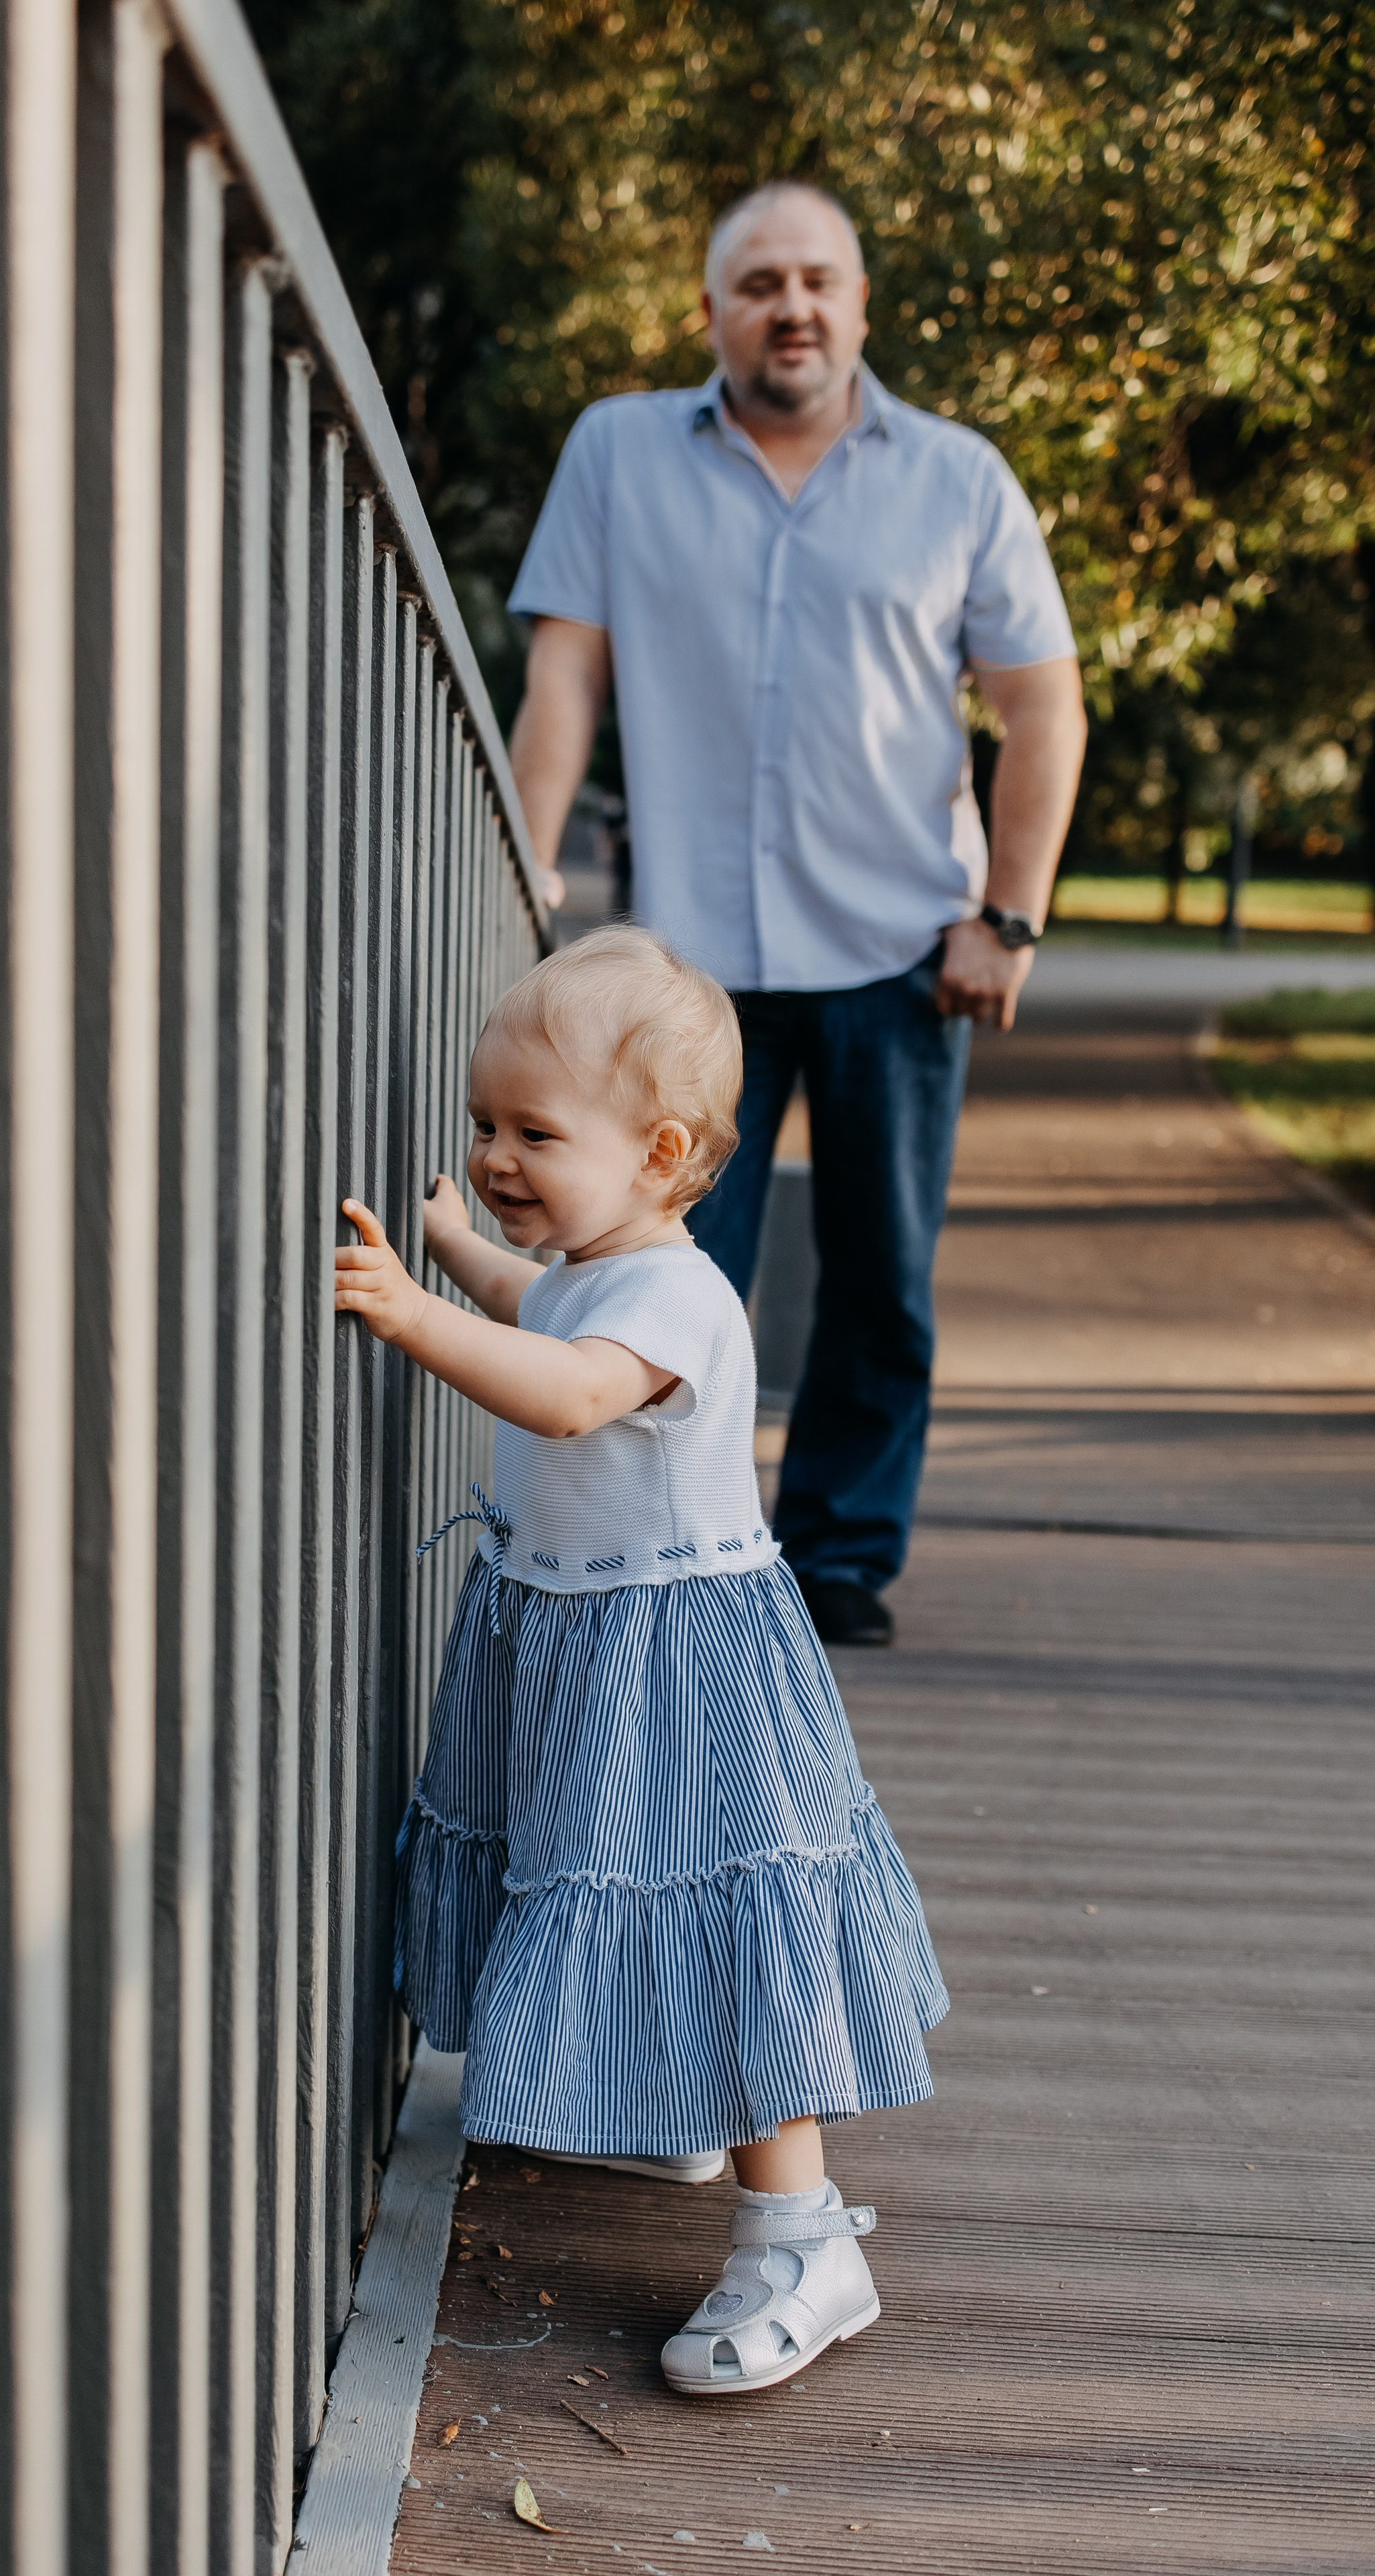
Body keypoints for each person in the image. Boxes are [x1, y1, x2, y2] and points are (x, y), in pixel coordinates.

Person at [335, 927, 946, 2396]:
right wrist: (452, 1244)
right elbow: (536, 1303)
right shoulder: (591, 1265)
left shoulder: (675, 1297)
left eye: (532, 1134)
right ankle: (683, 2097)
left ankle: (801, 2237)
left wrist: (415, 1316)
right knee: (624, 1877)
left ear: (662, 1150)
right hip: (586, 1639)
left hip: (677, 1666)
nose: (495, 1155)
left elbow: (566, 1390)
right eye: (483, 1126)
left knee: (713, 1908)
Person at [505, 181, 1087, 1646]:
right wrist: (523, 861)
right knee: (654, 1264)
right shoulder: (618, 452)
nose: (792, 306)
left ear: (860, 306)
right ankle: (683, 1541)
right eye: (758, 282)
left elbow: (1039, 705)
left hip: (897, 952)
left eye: (818, 280)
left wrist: (1003, 918)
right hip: (686, 970)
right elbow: (563, 675)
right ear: (709, 312)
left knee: (878, 1277)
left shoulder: (957, 478)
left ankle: (836, 1561)